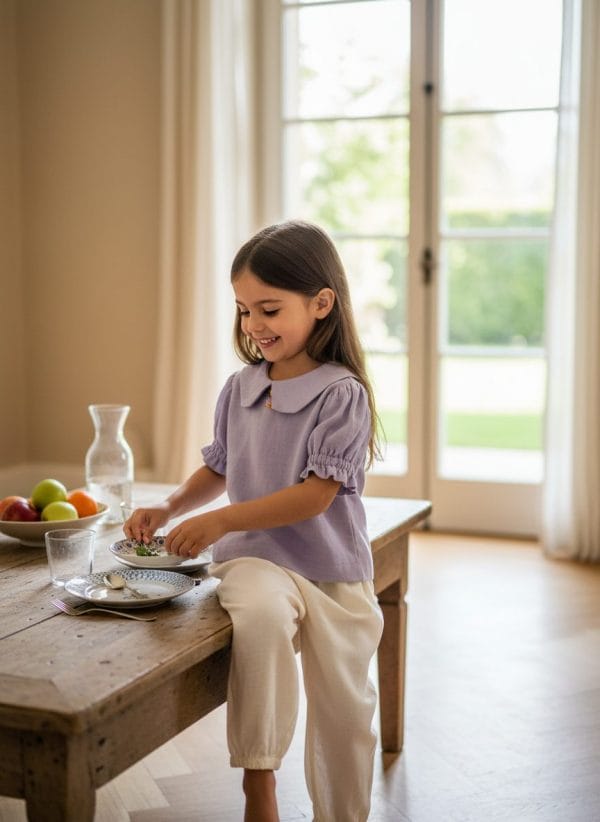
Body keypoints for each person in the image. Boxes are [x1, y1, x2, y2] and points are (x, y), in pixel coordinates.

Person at [124, 220, 384, 822]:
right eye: (244, 310)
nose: (253, 325)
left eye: (269, 309)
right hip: (255, 558)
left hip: (333, 570)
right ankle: (258, 780)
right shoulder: (238, 388)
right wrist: (170, 506)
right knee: (261, 618)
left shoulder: (342, 394)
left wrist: (221, 519)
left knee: (347, 712)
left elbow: (315, 497)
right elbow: (219, 466)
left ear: (322, 304)